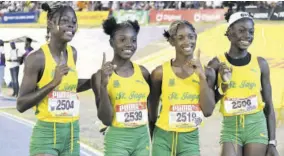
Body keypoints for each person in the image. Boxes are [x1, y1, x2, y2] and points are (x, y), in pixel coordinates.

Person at [16, 2, 91, 156]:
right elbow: (21, 104)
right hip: (47, 134)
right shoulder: (37, 59)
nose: (71, 25)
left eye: (74, 22)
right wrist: (52, 83)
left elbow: (70, 87)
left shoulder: (73, 53)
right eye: (64, 21)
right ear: (50, 23)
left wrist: (95, 80)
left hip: (72, 134)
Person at [207, 11, 279, 156]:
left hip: (256, 126)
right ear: (229, 33)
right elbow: (208, 107)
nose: (247, 35)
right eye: (241, 30)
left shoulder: (260, 64)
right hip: (231, 127)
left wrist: (272, 141)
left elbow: (269, 105)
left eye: (251, 32)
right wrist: (223, 87)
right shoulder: (216, 64)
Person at [149, 20, 215, 156]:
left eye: (191, 37)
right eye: (181, 38)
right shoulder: (159, 73)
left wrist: (201, 77)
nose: (187, 41)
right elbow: (152, 110)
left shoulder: (207, 73)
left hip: (190, 140)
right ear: (172, 41)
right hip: (163, 138)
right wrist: (153, 135)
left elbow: (208, 111)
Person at [91, 17, 151, 156]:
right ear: (111, 42)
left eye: (133, 40)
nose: (129, 44)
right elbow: (105, 119)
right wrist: (104, 86)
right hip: (117, 140)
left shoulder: (143, 72)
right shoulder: (100, 76)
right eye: (122, 40)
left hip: (142, 139)